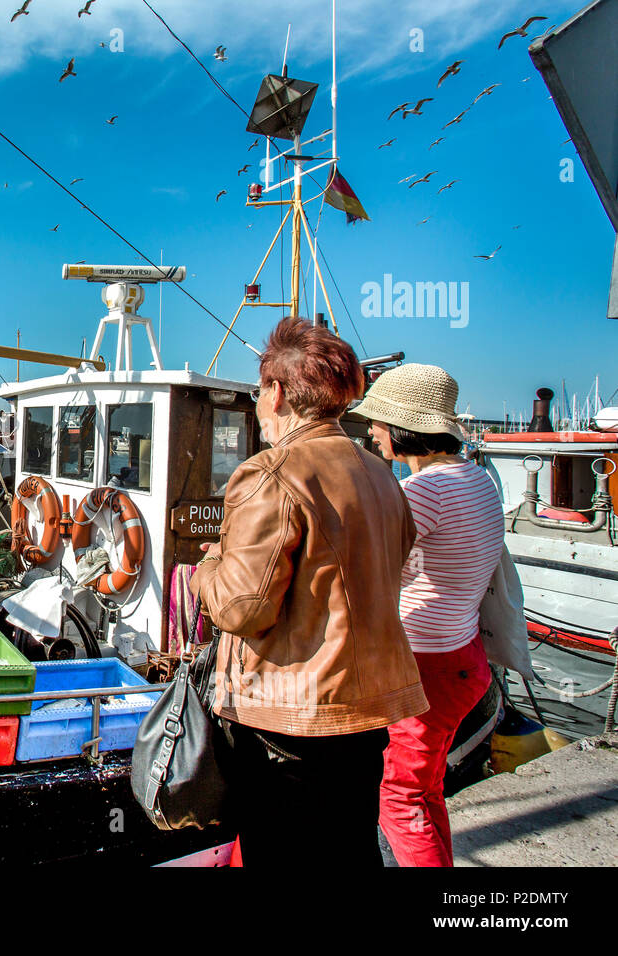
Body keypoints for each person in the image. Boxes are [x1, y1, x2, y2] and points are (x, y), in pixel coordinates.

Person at [188, 315, 428, 867]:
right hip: (365, 713)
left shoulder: (270, 473)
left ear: (276, 393)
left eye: (259, 393)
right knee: (349, 851)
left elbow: (242, 608)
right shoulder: (380, 474)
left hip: (290, 720)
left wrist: (208, 567)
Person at [356, 364, 503, 867]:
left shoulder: (425, 491)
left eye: (377, 422)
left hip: (427, 668)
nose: (372, 432)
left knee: (398, 799)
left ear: (402, 428)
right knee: (424, 791)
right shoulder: (477, 479)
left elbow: (366, 568)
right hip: (463, 656)